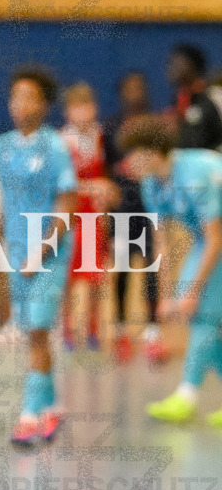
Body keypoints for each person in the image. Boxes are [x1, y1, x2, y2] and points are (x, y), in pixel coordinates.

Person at [0, 66, 78, 449]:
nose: (19, 104)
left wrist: (40, 253)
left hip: (50, 254)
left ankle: (27, 416)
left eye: (29, 97)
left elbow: (67, 207)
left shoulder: (56, 147)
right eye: (15, 96)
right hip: (16, 253)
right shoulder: (1, 147)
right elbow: (0, 209)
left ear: (44, 105)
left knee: (40, 330)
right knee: (33, 336)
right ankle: (53, 407)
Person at [118, 116, 222, 427]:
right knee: (203, 317)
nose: (127, 161)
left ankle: (186, 396)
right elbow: (161, 244)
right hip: (210, 237)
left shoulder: (194, 174)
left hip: (215, 236)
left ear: (152, 151)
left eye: (133, 152)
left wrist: (192, 291)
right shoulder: (151, 184)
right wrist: (165, 297)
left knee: (201, 312)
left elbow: (216, 238)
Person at [102, 71, 164, 362]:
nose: (134, 93)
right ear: (121, 92)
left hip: (150, 207)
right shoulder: (112, 126)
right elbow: (107, 169)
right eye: (129, 88)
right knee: (123, 269)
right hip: (122, 210)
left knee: (152, 267)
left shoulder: (155, 126)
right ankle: (122, 330)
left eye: (139, 88)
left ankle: (153, 331)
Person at [58, 82, 117, 352]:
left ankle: (93, 327)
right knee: (73, 276)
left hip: (95, 216)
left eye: (88, 106)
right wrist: (92, 187)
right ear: (69, 112)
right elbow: (60, 187)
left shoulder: (101, 137)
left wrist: (105, 197)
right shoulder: (61, 142)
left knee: (96, 276)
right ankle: (70, 329)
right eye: (77, 107)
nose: (84, 112)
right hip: (72, 215)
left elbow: (108, 180)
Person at [166, 44, 222, 150]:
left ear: (192, 65)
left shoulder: (212, 95)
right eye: (171, 63)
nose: (172, 67)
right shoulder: (179, 99)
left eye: (177, 63)